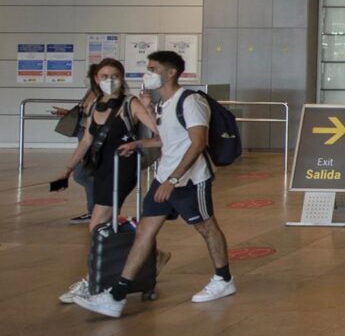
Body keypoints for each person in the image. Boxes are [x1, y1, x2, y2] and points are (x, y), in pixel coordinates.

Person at [73, 51, 235, 318]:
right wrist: (138, 143)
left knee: (206, 227)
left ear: (171, 73)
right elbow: (165, 139)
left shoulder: (190, 101)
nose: (148, 73)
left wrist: (174, 179)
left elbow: (198, 143)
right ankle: (116, 295)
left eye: (153, 69)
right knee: (144, 232)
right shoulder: (163, 103)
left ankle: (223, 279)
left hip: (190, 180)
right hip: (164, 178)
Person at [53, 59, 159, 303]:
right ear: (96, 79)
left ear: (122, 78)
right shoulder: (95, 105)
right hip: (101, 169)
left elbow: (158, 132)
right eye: (104, 76)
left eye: (115, 75)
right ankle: (142, 260)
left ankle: (93, 280)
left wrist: (147, 113)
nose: (109, 80)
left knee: (97, 224)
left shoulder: (130, 103)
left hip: (122, 168)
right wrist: (67, 170)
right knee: (102, 224)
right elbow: (86, 141)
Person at [51, 64, 100, 224]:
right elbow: (84, 114)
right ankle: (95, 210)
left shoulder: (102, 95)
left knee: (82, 174)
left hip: (91, 137)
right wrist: (67, 113)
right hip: (83, 133)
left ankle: (96, 211)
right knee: (83, 174)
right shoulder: (91, 92)